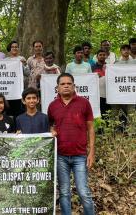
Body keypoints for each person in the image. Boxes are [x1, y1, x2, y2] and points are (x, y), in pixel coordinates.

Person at [48, 73, 95, 215]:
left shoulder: (84, 103)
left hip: (80, 156)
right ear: (57, 88)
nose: (66, 86)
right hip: (60, 155)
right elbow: (50, 126)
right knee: (64, 192)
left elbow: (91, 128)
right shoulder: (52, 106)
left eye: (69, 83)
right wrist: (52, 130)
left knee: (83, 192)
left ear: (74, 86)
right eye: (63, 84)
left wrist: (91, 152)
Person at [5, 40, 29, 117]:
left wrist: (25, 64)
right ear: (10, 48)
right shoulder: (6, 60)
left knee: (20, 109)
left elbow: (27, 73)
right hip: (9, 89)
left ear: (18, 48)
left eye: (16, 47)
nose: (14, 48)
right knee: (9, 109)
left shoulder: (22, 59)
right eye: (13, 47)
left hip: (20, 89)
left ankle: (19, 127)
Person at [92, 49, 109, 117]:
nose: (102, 56)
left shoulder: (110, 67)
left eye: (104, 55)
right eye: (100, 55)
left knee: (107, 113)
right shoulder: (92, 67)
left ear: (106, 56)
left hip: (108, 94)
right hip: (97, 95)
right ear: (97, 56)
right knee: (99, 114)